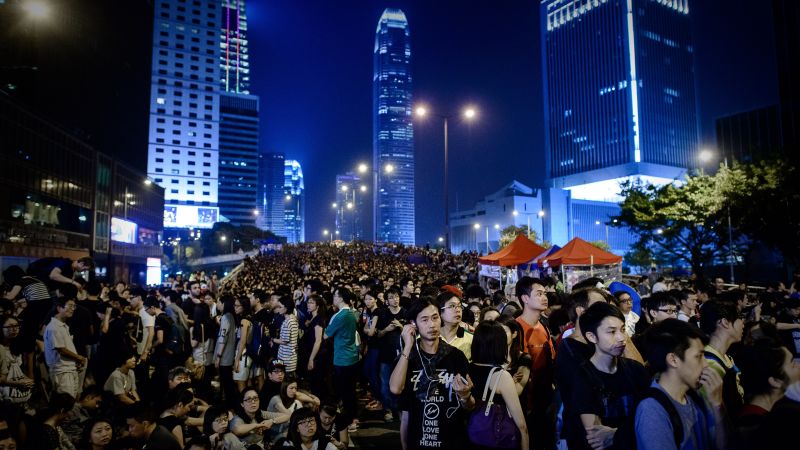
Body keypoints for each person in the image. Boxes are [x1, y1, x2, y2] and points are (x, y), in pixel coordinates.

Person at [390, 297, 475, 450]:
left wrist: (465, 396)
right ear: (413, 324)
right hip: (419, 440)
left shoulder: (455, 356)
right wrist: (408, 347)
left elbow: (469, 406)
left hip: (452, 440)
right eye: (424, 320)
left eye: (435, 318)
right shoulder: (408, 358)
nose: (431, 324)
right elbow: (396, 391)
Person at [635, 319, 727, 450]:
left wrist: (718, 405)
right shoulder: (652, 409)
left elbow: (723, 445)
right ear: (673, 360)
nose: (705, 364)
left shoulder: (694, 397)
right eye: (698, 356)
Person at [571, 302, 649, 450]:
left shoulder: (636, 369)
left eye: (623, 329)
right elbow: (596, 438)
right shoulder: (583, 376)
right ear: (592, 337)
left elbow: (652, 418)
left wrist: (616, 434)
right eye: (612, 332)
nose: (621, 338)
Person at [468, 321, 529, 450]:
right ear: (499, 345)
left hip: (472, 436)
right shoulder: (501, 376)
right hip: (496, 440)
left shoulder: (467, 368)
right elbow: (521, 425)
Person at [515, 277, 556, 450]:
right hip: (524, 403)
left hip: (544, 400)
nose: (544, 297)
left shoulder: (544, 326)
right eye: (538, 294)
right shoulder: (516, 327)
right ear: (524, 298)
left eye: (545, 293)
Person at [735, 339, 800, 448]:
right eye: (793, 364)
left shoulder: (780, 406)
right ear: (775, 381)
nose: (798, 365)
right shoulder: (754, 423)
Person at [698, 300, 744, 418]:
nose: (743, 322)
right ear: (725, 322)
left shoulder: (725, 357)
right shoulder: (710, 365)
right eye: (740, 317)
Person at [323, 287, 360, 431]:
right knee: (350, 390)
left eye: (335, 295)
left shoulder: (340, 316)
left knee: (346, 392)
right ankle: (353, 418)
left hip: (342, 358)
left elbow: (326, 335)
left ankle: (350, 420)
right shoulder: (351, 313)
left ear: (341, 298)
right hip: (351, 356)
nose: (333, 297)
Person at [44, 297, 86, 398]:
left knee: (72, 402)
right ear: (59, 308)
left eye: (74, 306)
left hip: (69, 370)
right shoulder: (54, 327)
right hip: (62, 372)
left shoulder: (63, 325)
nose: (73, 309)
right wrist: (79, 358)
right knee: (65, 403)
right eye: (70, 306)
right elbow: (61, 350)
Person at [301, 294, 329, 399]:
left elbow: (318, 341)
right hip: (311, 353)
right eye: (308, 302)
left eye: (312, 302)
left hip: (317, 356)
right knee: (314, 383)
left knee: (317, 384)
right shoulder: (312, 318)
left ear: (317, 306)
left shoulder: (318, 319)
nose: (309, 304)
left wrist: (311, 359)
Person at [215, 294, 239, 406]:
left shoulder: (225, 317)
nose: (217, 304)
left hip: (224, 355)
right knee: (228, 381)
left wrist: (218, 356)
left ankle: (229, 405)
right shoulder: (231, 316)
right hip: (229, 354)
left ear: (224, 303)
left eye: (218, 302)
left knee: (226, 382)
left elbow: (222, 338)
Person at [272, 296, 299, 377]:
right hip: (287, 358)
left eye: (280, 307)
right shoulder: (292, 319)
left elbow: (284, 341)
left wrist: (273, 340)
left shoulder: (289, 321)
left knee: (286, 384)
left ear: (286, 308)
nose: (278, 309)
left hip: (287, 360)